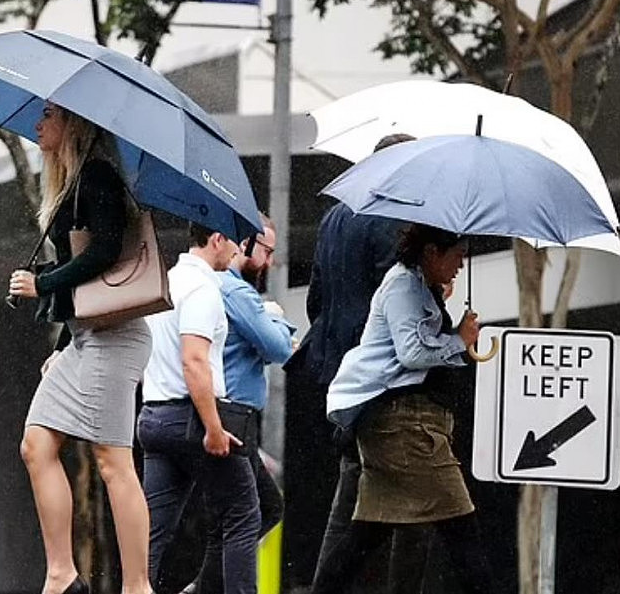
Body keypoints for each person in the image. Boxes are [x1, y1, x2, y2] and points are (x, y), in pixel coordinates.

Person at [7, 102, 153, 594]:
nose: (37, 124)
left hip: (117, 338)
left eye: (48, 115)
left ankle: (137, 586)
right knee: (36, 445)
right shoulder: (71, 183)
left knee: (114, 463)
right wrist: (66, 339)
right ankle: (62, 574)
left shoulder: (97, 177)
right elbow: (89, 285)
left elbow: (107, 250)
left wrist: (44, 282)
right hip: (89, 337)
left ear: (73, 123)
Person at [283, 133, 434, 593]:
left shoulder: (334, 218)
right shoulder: (394, 222)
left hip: (337, 372)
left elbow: (317, 300)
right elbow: (395, 302)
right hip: (382, 379)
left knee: (358, 486)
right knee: (414, 499)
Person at [311, 223, 493, 593]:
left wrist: (455, 332)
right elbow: (411, 354)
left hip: (402, 426)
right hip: (406, 427)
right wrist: (458, 340)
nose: (461, 264)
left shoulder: (419, 286)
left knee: (364, 537)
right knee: (463, 533)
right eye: (457, 254)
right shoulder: (404, 285)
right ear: (431, 252)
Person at [138, 223, 260, 594]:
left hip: (153, 419)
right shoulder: (203, 288)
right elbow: (194, 360)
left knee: (150, 534)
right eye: (236, 241)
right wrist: (213, 428)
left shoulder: (168, 280)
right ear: (216, 239)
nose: (240, 249)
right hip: (191, 420)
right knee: (243, 514)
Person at [181, 214, 294, 594]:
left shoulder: (214, 287)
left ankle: (200, 589)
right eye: (267, 251)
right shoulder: (234, 290)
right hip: (232, 414)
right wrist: (276, 318)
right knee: (252, 513)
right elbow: (278, 346)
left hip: (227, 414)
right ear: (242, 243)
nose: (271, 262)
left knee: (231, 520)